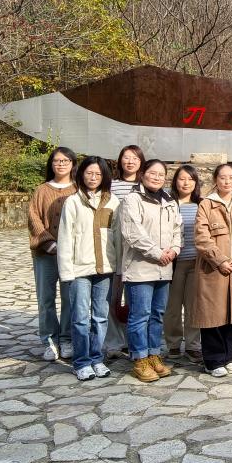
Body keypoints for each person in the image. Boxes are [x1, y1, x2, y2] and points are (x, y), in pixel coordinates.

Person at [118, 159, 183, 382]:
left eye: (161, 174)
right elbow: (133, 233)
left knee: (157, 314)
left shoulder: (169, 201)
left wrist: (174, 250)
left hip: (164, 269)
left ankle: (154, 354)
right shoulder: (132, 199)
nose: (156, 177)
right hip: (140, 268)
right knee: (140, 315)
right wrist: (158, 253)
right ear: (143, 173)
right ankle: (139, 358)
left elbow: (178, 230)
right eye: (152, 173)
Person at [57, 156, 119, 380]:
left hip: (105, 268)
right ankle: (81, 362)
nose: (93, 178)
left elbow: (117, 237)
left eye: (98, 174)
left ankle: (97, 358)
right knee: (81, 317)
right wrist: (67, 272)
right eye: (89, 173)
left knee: (101, 317)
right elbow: (65, 238)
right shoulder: (73, 202)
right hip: (79, 269)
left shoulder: (113, 202)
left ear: (105, 177)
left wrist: (119, 266)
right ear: (81, 174)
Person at [190, 164, 232, 377]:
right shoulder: (206, 204)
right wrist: (221, 260)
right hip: (212, 269)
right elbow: (201, 237)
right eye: (223, 177)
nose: (227, 181)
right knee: (212, 316)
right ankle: (213, 361)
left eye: (231, 177)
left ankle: (228, 356)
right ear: (216, 180)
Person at [28, 147, 78, 361]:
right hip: (45, 255)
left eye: (65, 160)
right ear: (51, 164)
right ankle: (49, 340)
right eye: (57, 160)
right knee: (45, 298)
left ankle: (66, 339)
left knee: (70, 298)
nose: (61, 164)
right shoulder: (41, 190)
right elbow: (33, 219)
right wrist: (48, 242)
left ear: (72, 164)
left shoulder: (78, 189)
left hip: (71, 255)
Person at [105, 144, 145, 360]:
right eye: (126, 157)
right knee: (111, 296)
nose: (130, 161)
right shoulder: (110, 185)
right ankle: (113, 341)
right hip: (113, 245)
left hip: (138, 249)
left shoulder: (145, 186)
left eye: (135, 158)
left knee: (134, 297)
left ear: (141, 162)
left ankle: (132, 339)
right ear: (120, 160)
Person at [165, 165, 203, 361]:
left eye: (190, 179)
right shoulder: (168, 204)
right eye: (182, 178)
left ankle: (192, 345)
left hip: (196, 262)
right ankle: (173, 343)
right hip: (174, 263)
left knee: (193, 306)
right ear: (175, 181)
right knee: (172, 306)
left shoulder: (202, 205)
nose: (186, 183)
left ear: (196, 182)